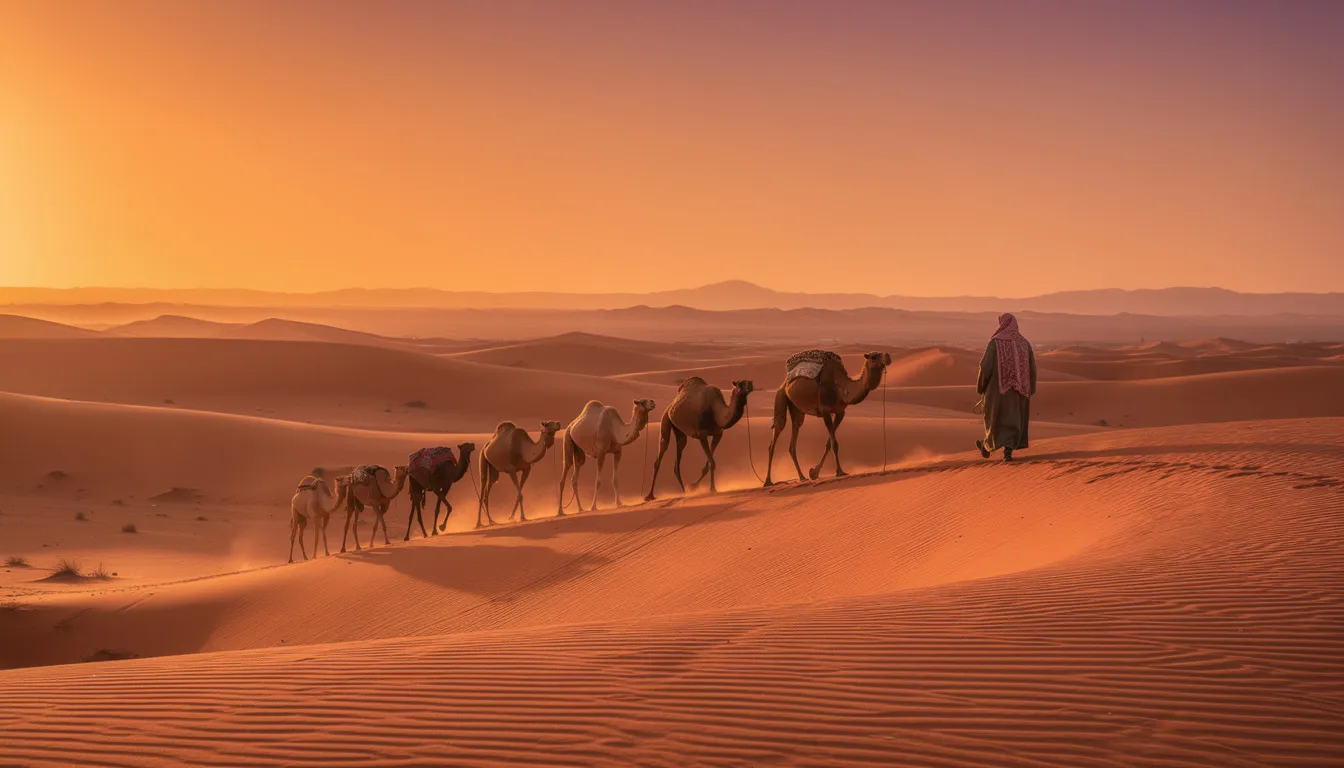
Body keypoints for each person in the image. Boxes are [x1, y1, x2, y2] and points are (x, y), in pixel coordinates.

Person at [976, 313, 1036, 461]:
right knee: (1014, 419)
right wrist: (1030, 389)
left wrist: (981, 386)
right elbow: (1032, 369)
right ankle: (1007, 451)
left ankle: (987, 445)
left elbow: (985, 366)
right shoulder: (1025, 344)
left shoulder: (995, 343)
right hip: (1020, 392)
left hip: (998, 391)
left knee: (995, 419)